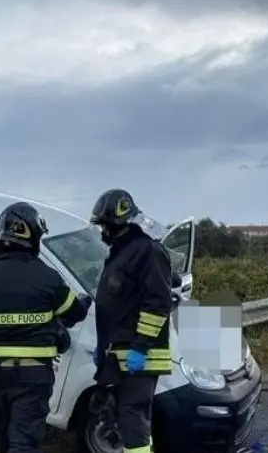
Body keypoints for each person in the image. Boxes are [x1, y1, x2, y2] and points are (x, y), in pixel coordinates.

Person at [0, 201, 91, 453]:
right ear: (33, 236)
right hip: (33, 376)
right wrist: (83, 301)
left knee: (3, 437)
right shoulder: (48, 278)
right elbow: (75, 313)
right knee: (24, 442)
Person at [89, 189, 174, 453]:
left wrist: (141, 346)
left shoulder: (147, 250)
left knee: (132, 418)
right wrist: (103, 348)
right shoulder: (122, 252)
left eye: (105, 225)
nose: (102, 231)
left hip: (139, 355)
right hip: (120, 354)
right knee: (125, 420)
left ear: (119, 222)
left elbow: (158, 303)